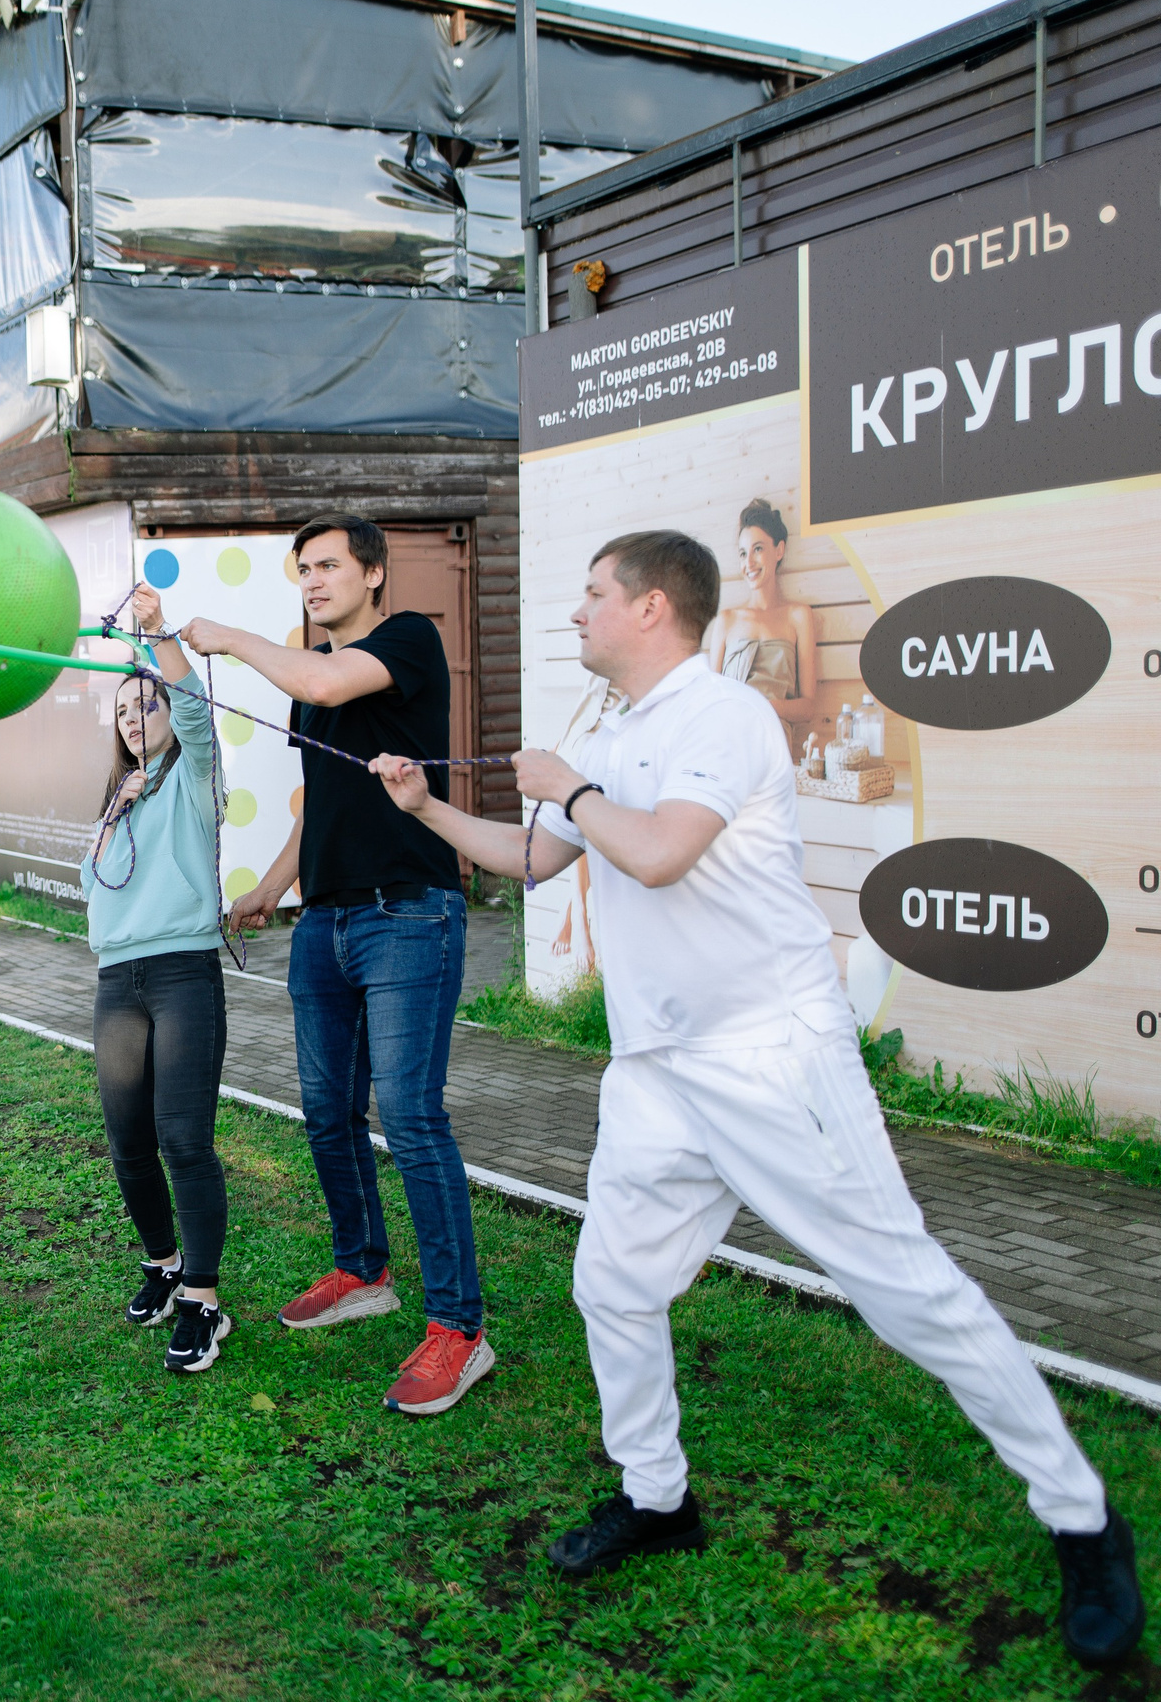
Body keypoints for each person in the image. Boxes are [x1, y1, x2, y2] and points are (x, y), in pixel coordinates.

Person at [368, 528, 1143, 1668]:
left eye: (592, 595)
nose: (574, 613)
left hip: (772, 1057)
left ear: (650, 608)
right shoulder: (612, 728)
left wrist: (568, 785)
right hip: (658, 1074)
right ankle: (656, 1494)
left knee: (907, 1290)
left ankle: (1081, 1515)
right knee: (613, 1281)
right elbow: (532, 860)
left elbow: (664, 850)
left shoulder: (719, 716)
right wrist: (425, 807)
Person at [184, 513, 491, 1418]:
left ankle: (460, 1330)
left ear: (374, 573)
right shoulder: (308, 676)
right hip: (325, 921)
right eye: (302, 570)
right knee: (325, 1110)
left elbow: (322, 671)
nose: (312, 581)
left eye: (327, 566)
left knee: (410, 1113)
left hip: (407, 911)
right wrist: (273, 888)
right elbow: (317, 801)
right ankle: (363, 1269)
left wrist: (233, 638)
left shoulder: (408, 639)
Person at [83, 584, 233, 1374]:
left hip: (181, 974)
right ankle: (164, 1262)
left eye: (147, 705)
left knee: (183, 1138)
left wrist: (158, 636)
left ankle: (205, 1301)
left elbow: (199, 712)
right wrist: (116, 812)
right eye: (122, 711)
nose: (135, 718)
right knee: (128, 1143)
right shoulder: (122, 793)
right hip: (118, 980)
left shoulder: (195, 778)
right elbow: (95, 884)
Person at [698, 497, 818, 750]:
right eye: (743, 553)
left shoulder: (798, 616)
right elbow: (710, 698)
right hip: (728, 736)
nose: (748, 563)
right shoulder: (727, 620)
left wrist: (763, 706)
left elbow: (807, 707)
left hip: (771, 738)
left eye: (758, 549)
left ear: (779, 550)